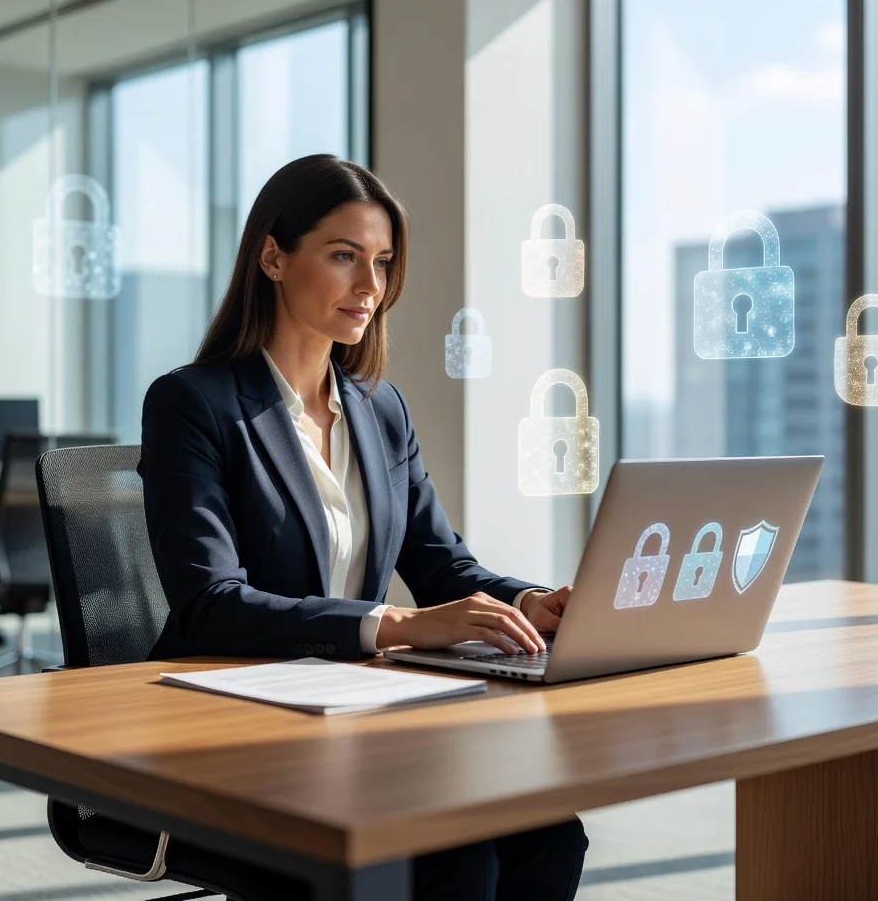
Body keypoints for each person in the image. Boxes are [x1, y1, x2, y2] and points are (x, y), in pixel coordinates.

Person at [139, 154, 588, 901]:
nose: (370, 287)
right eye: (344, 256)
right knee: (452, 861)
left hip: (358, 718)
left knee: (547, 836)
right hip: (229, 724)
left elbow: (445, 567)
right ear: (273, 256)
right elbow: (209, 603)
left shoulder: (380, 412)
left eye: (381, 262)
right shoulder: (195, 404)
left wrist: (527, 603)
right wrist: (400, 626)